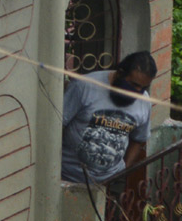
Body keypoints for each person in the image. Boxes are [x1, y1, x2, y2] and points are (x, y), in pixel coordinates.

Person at [61, 51, 157, 184]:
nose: (137, 92)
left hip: (110, 182)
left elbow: (138, 139)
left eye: (143, 87)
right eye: (133, 84)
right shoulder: (84, 86)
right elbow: (58, 124)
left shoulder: (144, 100)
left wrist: (124, 171)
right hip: (69, 178)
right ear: (120, 73)